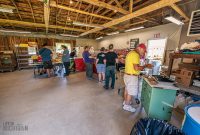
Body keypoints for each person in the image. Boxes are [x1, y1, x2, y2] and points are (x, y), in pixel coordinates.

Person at [123, 43, 152, 112]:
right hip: (132, 77)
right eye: (143, 51)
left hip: (127, 75)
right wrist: (146, 66)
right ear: (140, 48)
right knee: (130, 92)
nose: (143, 52)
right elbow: (136, 68)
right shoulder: (135, 55)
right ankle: (127, 106)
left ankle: (125, 102)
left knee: (127, 90)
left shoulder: (131, 53)